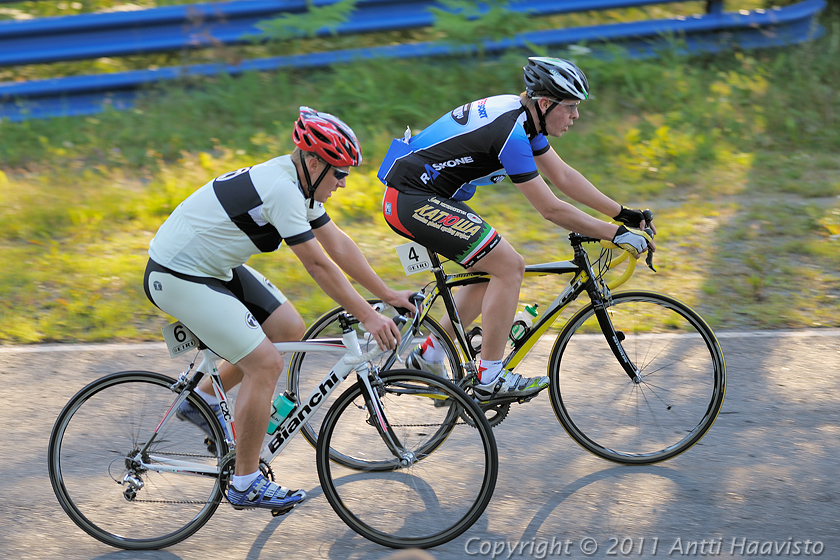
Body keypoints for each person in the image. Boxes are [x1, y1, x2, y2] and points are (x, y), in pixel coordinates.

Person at [143, 107, 415, 511]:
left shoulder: (299, 184)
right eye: (339, 173)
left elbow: (338, 245)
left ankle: (198, 399)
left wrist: (387, 294)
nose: (342, 183)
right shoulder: (282, 190)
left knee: (288, 327)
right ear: (313, 162)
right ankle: (245, 482)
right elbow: (318, 264)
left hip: (211, 266)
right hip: (176, 274)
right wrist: (368, 315)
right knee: (266, 364)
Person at [378, 57, 654, 403]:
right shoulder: (511, 131)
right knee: (509, 266)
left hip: (421, 194)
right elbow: (550, 208)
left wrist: (623, 215)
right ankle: (490, 377)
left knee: (486, 270)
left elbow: (563, 176)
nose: (575, 116)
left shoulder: (522, 117)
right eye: (570, 107)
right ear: (544, 103)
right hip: (410, 197)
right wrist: (613, 234)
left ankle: (429, 355)